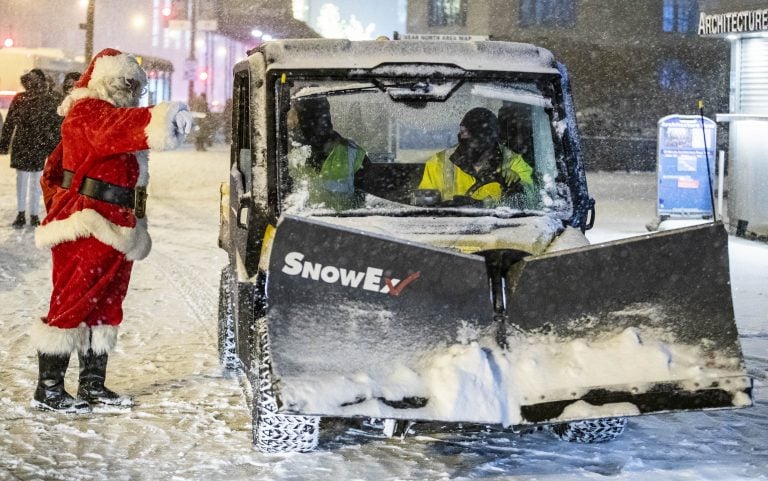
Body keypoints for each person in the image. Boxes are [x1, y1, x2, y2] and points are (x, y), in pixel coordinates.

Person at [32, 48, 194, 413]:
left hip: (116, 222)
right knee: (72, 301)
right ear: (105, 80)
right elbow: (110, 133)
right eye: (126, 82)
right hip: (88, 222)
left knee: (105, 305)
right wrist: (163, 118)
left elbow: (53, 170)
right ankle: (50, 388)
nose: (132, 89)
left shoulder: (105, 114)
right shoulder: (88, 111)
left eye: (137, 85)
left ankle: (92, 385)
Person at [418, 107, 533, 206]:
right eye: (462, 132)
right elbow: (424, 208)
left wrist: (518, 185)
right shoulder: (439, 163)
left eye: (472, 134)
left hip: (502, 228)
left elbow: (536, 199)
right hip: (450, 228)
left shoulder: (513, 161)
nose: (463, 138)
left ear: (489, 139)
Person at [0, 69, 62, 228]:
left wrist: (5, 144)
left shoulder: (25, 98)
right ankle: (28, 214)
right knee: (30, 180)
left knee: (29, 181)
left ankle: (27, 214)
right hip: (34, 144)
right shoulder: (31, 99)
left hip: (30, 144)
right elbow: (10, 123)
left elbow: (53, 126)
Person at [292, 96, 371, 208]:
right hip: (294, 223)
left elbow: (368, 208)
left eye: (317, 116)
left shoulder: (354, 155)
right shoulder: (284, 154)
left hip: (342, 224)